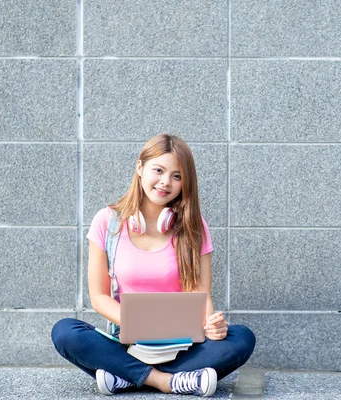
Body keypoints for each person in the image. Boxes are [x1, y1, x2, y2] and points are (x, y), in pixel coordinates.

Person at [51, 134, 256, 397]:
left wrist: (211, 326)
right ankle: (168, 381)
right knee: (66, 332)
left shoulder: (194, 226)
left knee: (241, 338)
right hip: (128, 342)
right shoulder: (107, 221)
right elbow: (99, 297)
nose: (165, 182)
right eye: (158, 170)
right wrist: (139, 324)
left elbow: (201, 294)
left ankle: (126, 376)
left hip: (182, 345)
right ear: (140, 168)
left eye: (177, 176)